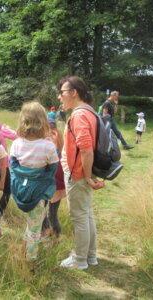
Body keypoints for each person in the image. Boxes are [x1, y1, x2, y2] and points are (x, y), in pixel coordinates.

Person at [57, 76, 105, 270]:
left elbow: (85, 149)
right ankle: (90, 256)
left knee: (79, 216)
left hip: (78, 173)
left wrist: (85, 176)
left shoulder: (79, 115)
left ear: (73, 93)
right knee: (86, 214)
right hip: (83, 172)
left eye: (62, 93)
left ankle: (79, 259)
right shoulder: (90, 112)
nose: (60, 97)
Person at [10, 102, 58, 267]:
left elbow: (14, 167)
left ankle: (22, 250)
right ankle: (30, 261)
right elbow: (52, 170)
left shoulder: (17, 143)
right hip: (38, 193)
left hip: (21, 190)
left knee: (31, 223)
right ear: (43, 121)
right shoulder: (48, 147)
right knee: (35, 229)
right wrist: (40, 181)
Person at [41, 118, 66, 244]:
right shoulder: (58, 137)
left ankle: (54, 238)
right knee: (51, 212)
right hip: (58, 180)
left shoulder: (48, 140)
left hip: (51, 181)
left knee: (47, 212)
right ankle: (51, 235)